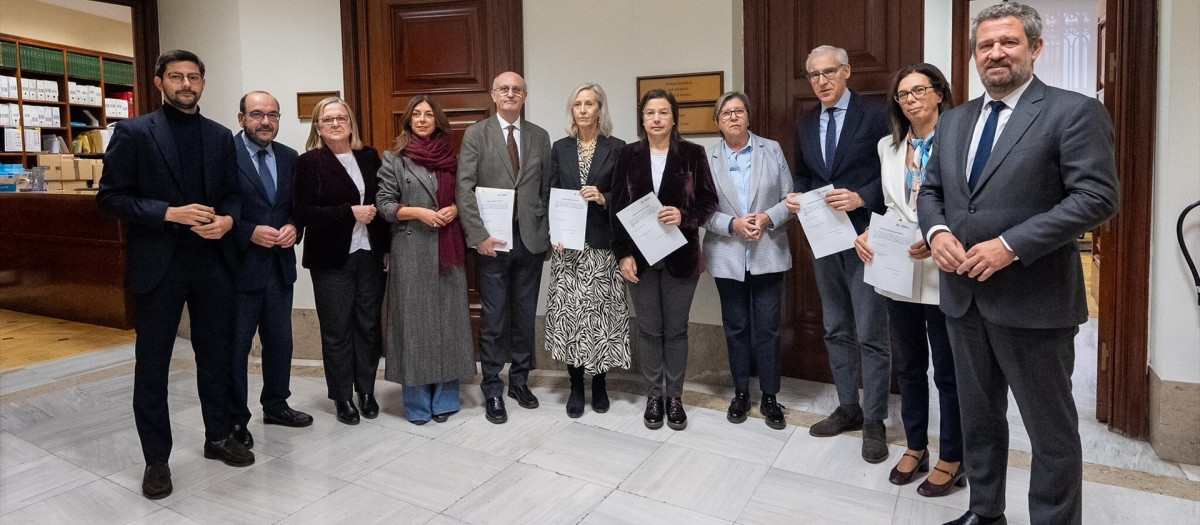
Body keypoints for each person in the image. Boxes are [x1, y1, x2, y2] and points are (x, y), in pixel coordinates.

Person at [916, 4, 1120, 524]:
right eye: (985, 45)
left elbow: (1096, 198)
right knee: (980, 420)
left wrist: (1010, 244)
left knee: (1050, 432)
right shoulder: (956, 119)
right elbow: (932, 191)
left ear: (1035, 48)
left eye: (1008, 42)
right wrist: (936, 230)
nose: (995, 53)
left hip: (1035, 302)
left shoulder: (1072, 112)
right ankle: (986, 514)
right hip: (963, 299)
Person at [97, 50, 253, 500]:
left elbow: (232, 196)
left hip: (212, 264)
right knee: (153, 366)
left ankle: (218, 435)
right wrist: (169, 212)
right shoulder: (132, 132)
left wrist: (227, 221)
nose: (186, 83)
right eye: (177, 76)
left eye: (194, 76)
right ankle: (156, 459)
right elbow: (110, 199)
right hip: (158, 266)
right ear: (159, 81)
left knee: (217, 358)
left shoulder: (221, 135)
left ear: (203, 82)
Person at [853, 64, 963, 496]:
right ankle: (916, 445)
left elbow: (970, 204)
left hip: (943, 268)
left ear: (939, 94)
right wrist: (868, 233)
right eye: (903, 94)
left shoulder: (958, 140)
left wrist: (934, 234)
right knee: (911, 367)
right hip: (897, 269)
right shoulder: (888, 146)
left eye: (920, 90)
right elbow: (890, 206)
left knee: (948, 372)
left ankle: (953, 455)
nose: (912, 99)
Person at [785, 44, 892, 463]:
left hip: (868, 238)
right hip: (824, 239)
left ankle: (875, 421)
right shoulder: (806, 122)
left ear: (847, 72)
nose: (821, 81)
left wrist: (862, 196)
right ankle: (849, 407)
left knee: (871, 333)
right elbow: (807, 174)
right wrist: (797, 195)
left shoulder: (877, 115)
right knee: (835, 327)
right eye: (814, 75)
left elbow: (896, 173)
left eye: (829, 72)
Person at [610, 89, 718, 431]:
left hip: (680, 258)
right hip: (639, 260)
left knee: (676, 330)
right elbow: (616, 209)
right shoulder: (628, 155)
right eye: (650, 113)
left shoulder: (693, 153)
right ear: (642, 119)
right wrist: (623, 254)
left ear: (674, 118)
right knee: (648, 329)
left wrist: (684, 216)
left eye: (663, 112)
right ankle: (653, 396)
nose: (656, 118)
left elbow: (708, 202)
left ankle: (675, 398)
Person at [456, 71, 552, 424]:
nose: (511, 94)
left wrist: (547, 232)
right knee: (494, 318)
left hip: (530, 241)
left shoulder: (540, 137)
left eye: (517, 89)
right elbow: (464, 189)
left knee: (525, 316)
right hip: (491, 244)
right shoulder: (476, 134)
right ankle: (493, 386)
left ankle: (520, 381)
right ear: (494, 95)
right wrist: (477, 234)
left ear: (525, 95)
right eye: (504, 89)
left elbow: (545, 190)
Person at [376, 95, 476, 425]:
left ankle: (445, 397)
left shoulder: (453, 158)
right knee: (414, 327)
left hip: (449, 252)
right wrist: (417, 212)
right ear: (408, 122)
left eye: (428, 114)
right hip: (411, 251)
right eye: (416, 115)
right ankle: (417, 402)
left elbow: (467, 196)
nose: (422, 119)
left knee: (449, 323)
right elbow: (384, 206)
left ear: (437, 121)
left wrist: (457, 209)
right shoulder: (394, 159)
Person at [293, 97, 388, 426]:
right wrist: (349, 213)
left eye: (341, 117)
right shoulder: (309, 162)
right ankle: (343, 397)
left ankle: (366, 390)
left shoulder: (368, 156)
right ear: (318, 127)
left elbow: (382, 204)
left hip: (370, 256)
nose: (335, 123)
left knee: (368, 326)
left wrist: (386, 248)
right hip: (331, 260)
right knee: (336, 331)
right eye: (327, 119)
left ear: (351, 122)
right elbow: (303, 213)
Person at [701, 92, 794, 430]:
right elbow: (701, 208)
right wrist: (732, 224)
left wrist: (768, 217)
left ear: (749, 117)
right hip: (727, 253)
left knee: (769, 329)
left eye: (739, 111)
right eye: (726, 113)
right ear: (718, 122)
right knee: (736, 327)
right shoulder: (706, 157)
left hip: (768, 251)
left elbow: (790, 199)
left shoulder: (772, 149)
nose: (734, 117)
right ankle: (740, 392)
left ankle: (770, 396)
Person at [228, 91, 313, 450]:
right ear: (241, 118)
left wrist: (296, 226)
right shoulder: (224, 156)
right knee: (236, 348)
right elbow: (216, 208)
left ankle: (276, 405)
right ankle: (234, 420)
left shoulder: (290, 157)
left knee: (280, 342)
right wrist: (248, 232)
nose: (266, 121)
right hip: (238, 269)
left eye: (273, 115)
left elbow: (298, 205)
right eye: (258, 114)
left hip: (279, 268)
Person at [545, 83, 630, 418]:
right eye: (577, 104)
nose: (582, 109)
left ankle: (601, 384)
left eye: (589, 104)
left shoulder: (618, 148)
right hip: (568, 248)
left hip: (601, 246)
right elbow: (551, 191)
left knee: (601, 317)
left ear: (599, 110)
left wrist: (603, 197)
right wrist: (554, 231)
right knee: (572, 318)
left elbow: (625, 195)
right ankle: (576, 384)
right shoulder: (560, 147)